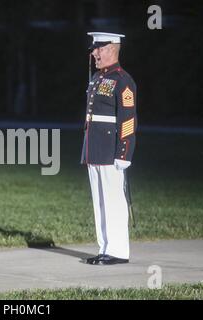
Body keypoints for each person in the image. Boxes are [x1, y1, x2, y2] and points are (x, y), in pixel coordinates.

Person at [81, 32, 137, 265]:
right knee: (100, 201)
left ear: (112, 48)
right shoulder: (97, 78)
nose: (94, 53)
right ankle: (105, 247)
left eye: (99, 48)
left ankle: (118, 251)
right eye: (94, 48)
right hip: (94, 149)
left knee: (113, 200)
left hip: (111, 150)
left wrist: (124, 153)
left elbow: (128, 120)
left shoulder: (123, 80)